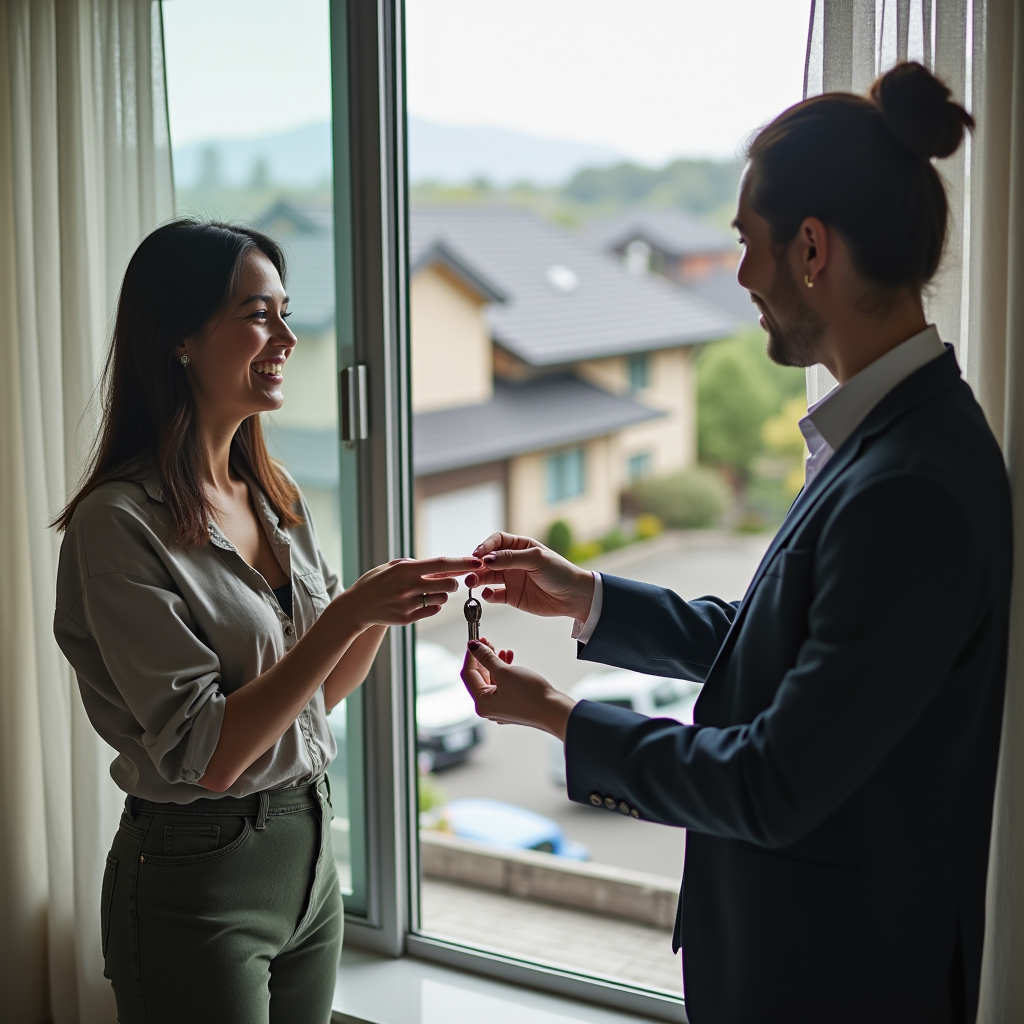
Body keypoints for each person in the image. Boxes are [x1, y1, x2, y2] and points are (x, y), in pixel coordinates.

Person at [458, 62, 1012, 1024]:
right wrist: (586, 596)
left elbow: (772, 779)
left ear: (811, 248)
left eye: (748, 246)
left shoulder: (910, 484)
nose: (744, 279)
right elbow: (775, 645)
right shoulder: (881, 442)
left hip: (839, 982)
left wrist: (559, 718)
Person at [52, 221, 480, 1024]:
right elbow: (211, 756)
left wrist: (384, 611)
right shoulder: (117, 526)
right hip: (198, 876)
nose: (286, 337)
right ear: (180, 336)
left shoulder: (275, 496)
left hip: (309, 860)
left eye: (285, 312)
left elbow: (316, 699)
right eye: (259, 314)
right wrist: (348, 611)